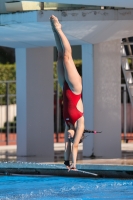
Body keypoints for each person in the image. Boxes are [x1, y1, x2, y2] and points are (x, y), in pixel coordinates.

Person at [50, 15, 84, 170]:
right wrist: (75, 165)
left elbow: (67, 147)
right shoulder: (79, 123)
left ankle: (53, 30)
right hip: (75, 88)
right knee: (66, 57)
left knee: (59, 55)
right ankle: (59, 29)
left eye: (68, 137)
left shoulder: (67, 124)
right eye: (72, 137)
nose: (69, 137)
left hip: (64, 87)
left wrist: (66, 163)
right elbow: (74, 146)